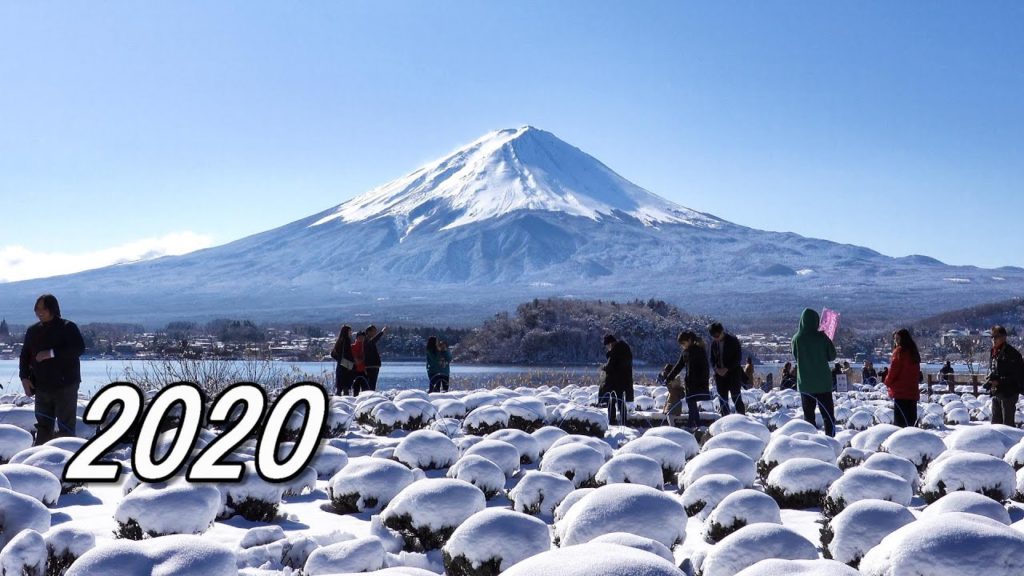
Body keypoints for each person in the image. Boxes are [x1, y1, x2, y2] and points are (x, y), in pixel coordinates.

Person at [19, 294, 85, 444]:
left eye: (43, 308)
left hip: (66, 386)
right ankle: (40, 455)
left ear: (53, 309)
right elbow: (24, 356)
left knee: (65, 427)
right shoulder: (33, 331)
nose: (39, 312)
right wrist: (24, 377)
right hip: (42, 386)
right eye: (37, 309)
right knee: (43, 426)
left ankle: (66, 454)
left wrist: (51, 353)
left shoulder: (67, 327)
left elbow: (78, 348)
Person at [792, 309, 838, 437]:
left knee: (809, 417)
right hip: (823, 383)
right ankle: (831, 439)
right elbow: (832, 356)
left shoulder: (797, 339)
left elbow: (796, 357)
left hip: (805, 383)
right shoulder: (822, 338)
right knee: (828, 416)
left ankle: (811, 442)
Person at [664, 331, 710, 429]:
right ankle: (696, 425)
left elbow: (705, 368)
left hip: (696, 383)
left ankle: (692, 425)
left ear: (689, 340)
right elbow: (678, 366)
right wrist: (668, 378)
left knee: (692, 404)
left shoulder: (698, 351)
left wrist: (704, 382)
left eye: (683, 343)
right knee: (691, 405)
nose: (682, 346)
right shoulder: (687, 352)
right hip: (690, 383)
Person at [986, 325, 1024, 426]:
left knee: (1007, 425)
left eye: (996, 336)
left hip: (1009, 393)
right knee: (995, 424)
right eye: (992, 337)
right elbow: (994, 370)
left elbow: (1017, 376)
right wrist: (990, 379)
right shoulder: (993, 351)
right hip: (996, 392)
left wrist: (999, 381)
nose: (993, 339)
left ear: (1004, 337)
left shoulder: (1012, 354)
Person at [884, 329, 922, 428]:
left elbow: (893, 371)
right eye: (895, 339)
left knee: (900, 424)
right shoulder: (914, 352)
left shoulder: (899, 352)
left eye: (897, 339)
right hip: (912, 391)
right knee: (911, 422)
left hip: (900, 392)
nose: (895, 341)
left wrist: (887, 382)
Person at [708, 322, 745, 416]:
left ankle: (742, 418)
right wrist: (716, 369)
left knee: (736, 397)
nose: (716, 338)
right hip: (719, 376)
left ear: (722, 331)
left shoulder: (733, 340)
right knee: (722, 399)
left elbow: (738, 358)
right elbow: (712, 359)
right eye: (713, 336)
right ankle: (725, 419)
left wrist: (727, 368)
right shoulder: (714, 344)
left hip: (733, 374)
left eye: (717, 335)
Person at [600, 334, 634, 426]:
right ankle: (624, 421)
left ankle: (612, 421)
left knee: (611, 401)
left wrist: (603, 367)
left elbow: (610, 366)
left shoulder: (615, 350)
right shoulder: (625, 348)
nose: (608, 347)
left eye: (608, 345)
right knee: (621, 401)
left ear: (610, 343)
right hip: (624, 380)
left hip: (615, 381)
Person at [330, 325, 355, 396]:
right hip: (346, 367)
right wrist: (348, 365)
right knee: (346, 387)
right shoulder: (346, 340)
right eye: (350, 331)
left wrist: (339, 360)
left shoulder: (339, 341)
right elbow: (346, 354)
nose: (351, 333)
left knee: (339, 388)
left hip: (340, 366)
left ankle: (337, 401)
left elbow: (333, 354)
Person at [363, 325, 387, 392]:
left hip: (373, 366)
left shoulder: (367, 340)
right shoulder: (366, 340)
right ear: (368, 332)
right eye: (374, 331)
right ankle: (370, 396)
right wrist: (381, 333)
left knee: (371, 384)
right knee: (371, 385)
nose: (375, 333)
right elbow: (372, 341)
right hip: (371, 366)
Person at [351, 331, 368, 395]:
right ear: (356, 338)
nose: (361, 339)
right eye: (360, 337)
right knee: (356, 389)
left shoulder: (366, 347)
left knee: (365, 389)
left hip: (364, 371)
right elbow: (356, 361)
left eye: (363, 338)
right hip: (355, 370)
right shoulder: (352, 347)